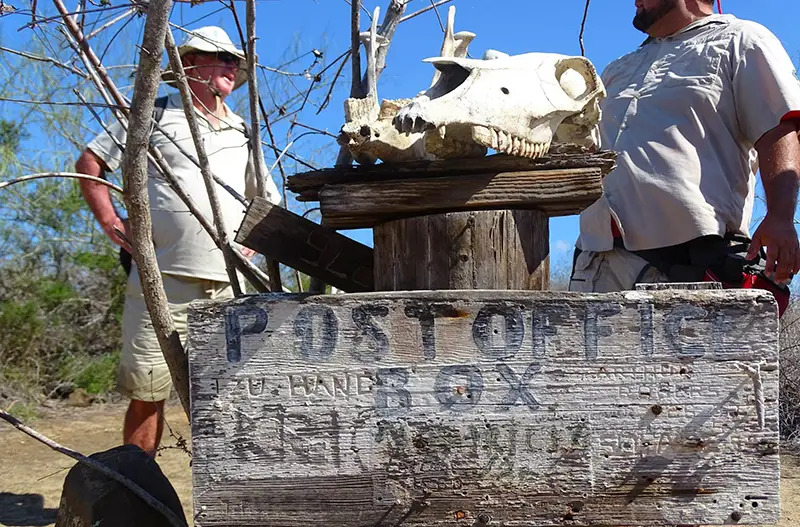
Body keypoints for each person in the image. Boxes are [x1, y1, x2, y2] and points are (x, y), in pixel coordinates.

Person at [75, 26, 280, 455]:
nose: (229, 64)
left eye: (233, 59)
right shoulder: (152, 114)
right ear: (188, 63)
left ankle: (228, 502)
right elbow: (91, 162)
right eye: (217, 55)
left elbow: (266, 197)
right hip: (162, 282)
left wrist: (255, 244)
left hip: (229, 286)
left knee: (227, 394)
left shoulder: (244, 130)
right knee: (149, 392)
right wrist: (110, 219)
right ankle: (140, 498)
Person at [569, 0, 800, 307]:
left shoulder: (743, 40)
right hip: (597, 262)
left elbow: (777, 127)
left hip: (689, 265)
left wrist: (780, 216)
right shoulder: (617, 69)